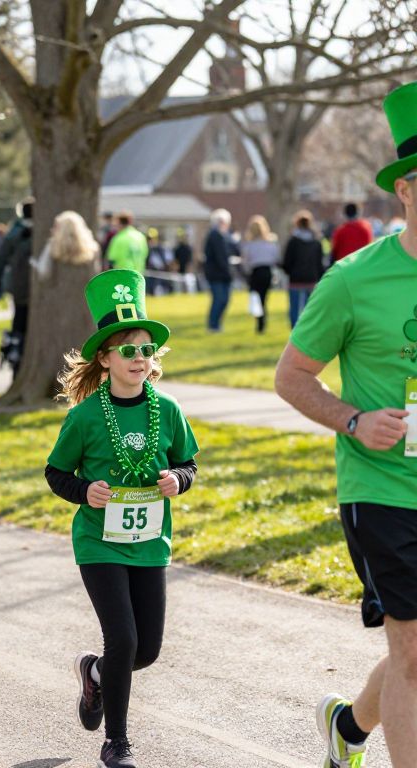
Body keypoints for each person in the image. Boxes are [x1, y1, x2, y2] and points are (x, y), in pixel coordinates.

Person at [274, 81, 417, 768]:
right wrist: (354, 419)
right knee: (413, 651)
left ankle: (351, 729)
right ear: (407, 192)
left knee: (414, 649)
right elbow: (291, 376)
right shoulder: (354, 279)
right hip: (382, 485)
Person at [45, 269, 198, 768]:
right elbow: (55, 472)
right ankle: (116, 742)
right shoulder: (85, 416)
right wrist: (83, 491)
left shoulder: (168, 409)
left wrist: (179, 478)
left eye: (144, 349)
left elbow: (189, 463)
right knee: (124, 638)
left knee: (147, 650)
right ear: (105, 358)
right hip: (99, 541)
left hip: (150, 541)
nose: (138, 357)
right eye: (126, 349)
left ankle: (95, 676)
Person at [0, 199, 33, 372]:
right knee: (23, 321)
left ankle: (16, 356)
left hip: (18, 286)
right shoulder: (39, 231)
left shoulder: (14, 232)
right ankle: (18, 355)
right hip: (28, 287)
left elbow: (2, 259)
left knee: (19, 321)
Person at [281, 209, 325, 328]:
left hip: (295, 279)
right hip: (311, 279)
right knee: (309, 308)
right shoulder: (316, 242)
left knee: (294, 308)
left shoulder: (293, 241)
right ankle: (307, 331)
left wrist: (288, 271)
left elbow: (287, 262)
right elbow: (320, 263)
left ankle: (295, 333)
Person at [239, 215, 279, 334]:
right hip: (267, 272)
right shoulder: (271, 244)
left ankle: (260, 323)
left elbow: (245, 262)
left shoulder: (249, 245)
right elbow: (276, 258)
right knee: (263, 299)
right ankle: (262, 322)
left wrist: (246, 273)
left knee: (256, 299)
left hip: (255, 273)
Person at [203, 209, 234, 332]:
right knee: (219, 299)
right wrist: (228, 272)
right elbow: (220, 256)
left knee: (224, 300)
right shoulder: (215, 235)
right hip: (217, 274)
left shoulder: (224, 236)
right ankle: (213, 325)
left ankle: (217, 324)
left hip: (222, 274)